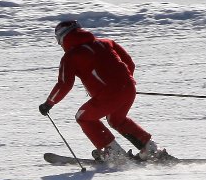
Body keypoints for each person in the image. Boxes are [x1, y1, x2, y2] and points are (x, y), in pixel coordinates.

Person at [38, 19, 164, 166]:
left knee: (83, 117)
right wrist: (122, 84)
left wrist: (49, 103)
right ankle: (151, 150)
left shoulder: (70, 57)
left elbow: (64, 84)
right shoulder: (106, 42)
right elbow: (129, 63)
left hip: (109, 94)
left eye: (58, 41)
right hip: (129, 89)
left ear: (62, 38)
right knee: (117, 120)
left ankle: (114, 155)